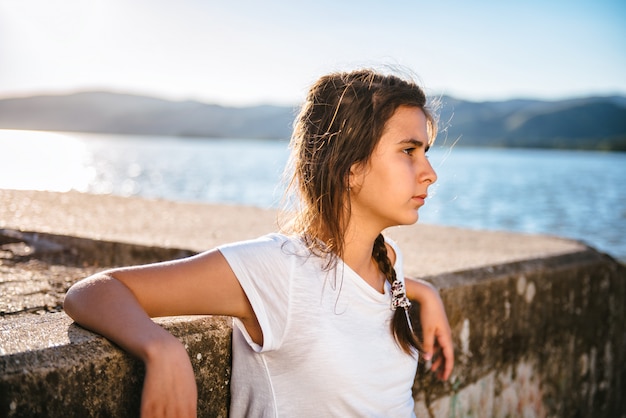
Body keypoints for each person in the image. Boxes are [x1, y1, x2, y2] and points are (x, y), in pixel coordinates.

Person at [64, 68, 454, 418]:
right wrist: (161, 349)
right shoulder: (277, 270)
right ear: (351, 168)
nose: (430, 174)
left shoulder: (385, 260)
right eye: (409, 151)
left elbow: (353, 295)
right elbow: (93, 292)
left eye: (425, 152)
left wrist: (425, 293)